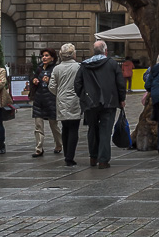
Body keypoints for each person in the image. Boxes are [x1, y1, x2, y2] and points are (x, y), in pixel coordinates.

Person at [78, 40, 126, 168]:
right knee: (105, 130)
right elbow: (120, 82)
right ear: (105, 51)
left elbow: (78, 84)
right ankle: (103, 160)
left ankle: (93, 157)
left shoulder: (85, 65)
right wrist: (122, 98)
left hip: (90, 102)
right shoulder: (112, 64)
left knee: (92, 129)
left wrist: (83, 96)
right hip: (109, 101)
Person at [49, 43, 82, 166]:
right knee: (74, 127)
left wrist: (59, 93)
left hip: (61, 99)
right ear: (73, 54)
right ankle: (70, 156)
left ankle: (66, 154)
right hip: (75, 99)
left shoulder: (57, 68)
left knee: (65, 127)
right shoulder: (78, 67)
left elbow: (51, 86)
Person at [30, 48, 62, 158]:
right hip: (39, 100)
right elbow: (34, 79)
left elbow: (59, 84)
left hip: (51, 100)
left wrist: (50, 81)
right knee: (38, 126)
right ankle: (39, 149)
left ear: (52, 58)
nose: (44, 57)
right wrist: (34, 81)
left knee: (54, 125)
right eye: (43, 55)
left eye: (47, 55)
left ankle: (59, 144)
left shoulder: (55, 69)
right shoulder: (39, 68)